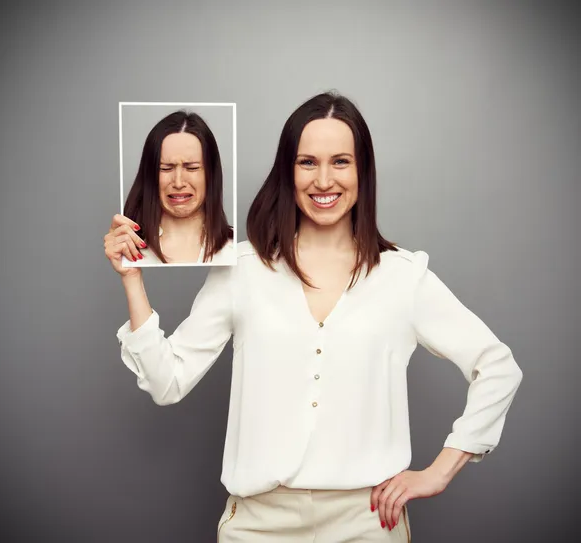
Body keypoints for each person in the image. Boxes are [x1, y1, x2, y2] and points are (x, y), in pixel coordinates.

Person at [104, 92, 523, 542]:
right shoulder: (242, 270)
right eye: (307, 162)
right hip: (258, 526)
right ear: (288, 170)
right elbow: (167, 383)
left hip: (367, 524)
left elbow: (497, 367)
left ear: (363, 170)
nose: (324, 180)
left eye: (340, 161)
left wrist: (442, 469)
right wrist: (133, 279)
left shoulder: (403, 276)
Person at [122, 110, 234, 266]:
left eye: (192, 168)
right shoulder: (128, 247)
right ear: (149, 175)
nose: (178, 183)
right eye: (166, 168)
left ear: (211, 174)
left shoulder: (233, 250)